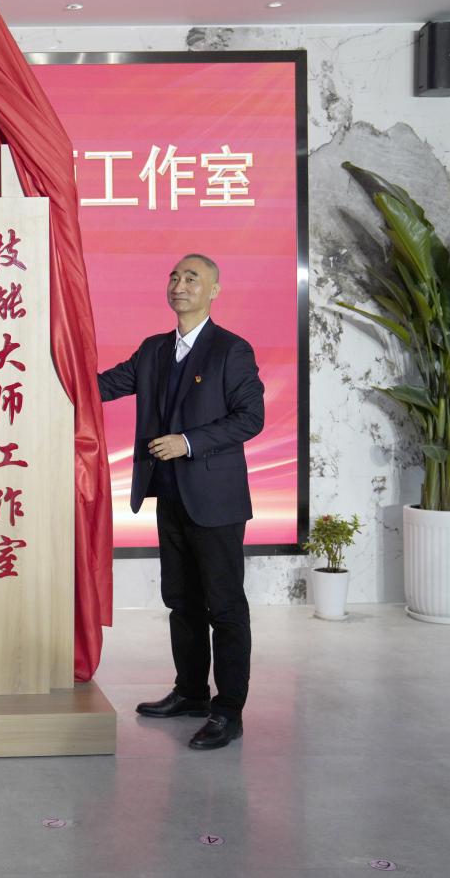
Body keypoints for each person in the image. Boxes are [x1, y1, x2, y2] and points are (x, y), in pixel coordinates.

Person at [97, 254, 264, 750]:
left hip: (216, 501)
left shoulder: (231, 349)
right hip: (169, 496)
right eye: (174, 276)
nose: (180, 284)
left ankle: (228, 711)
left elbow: (250, 417)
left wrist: (188, 442)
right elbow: (103, 385)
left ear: (214, 290)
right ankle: (190, 693)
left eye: (193, 277)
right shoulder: (153, 349)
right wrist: (42, 364)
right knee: (181, 602)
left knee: (225, 607)